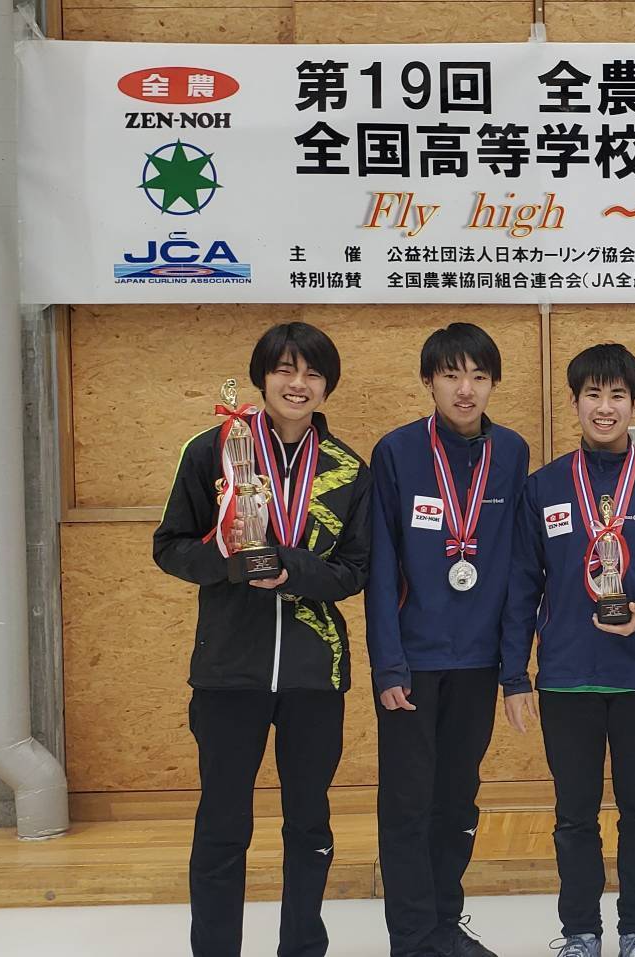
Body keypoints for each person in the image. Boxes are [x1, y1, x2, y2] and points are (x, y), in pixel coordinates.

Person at [153, 321, 373, 957]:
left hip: (314, 676)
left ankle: (302, 948)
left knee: (309, 824)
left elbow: (354, 571)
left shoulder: (348, 469)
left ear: (327, 386)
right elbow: (169, 547)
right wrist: (229, 561)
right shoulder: (213, 451)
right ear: (262, 377)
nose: (297, 384)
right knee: (223, 826)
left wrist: (289, 569)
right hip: (229, 673)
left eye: (312, 373)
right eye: (285, 370)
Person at [499, 343, 635, 957]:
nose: (605, 407)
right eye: (593, 394)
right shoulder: (544, 487)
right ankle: (580, 931)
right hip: (566, 677)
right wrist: (515, 675)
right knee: (573, 815)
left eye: (617, 395)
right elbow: (521, 584)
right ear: (575, 401)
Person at [366, 322, 530, 957]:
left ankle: (443, 924)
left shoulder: (511, 453)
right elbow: (382, 568)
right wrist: (388, 665)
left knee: (458, 800)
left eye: (479, 377)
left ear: (493, 384)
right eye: (452, 375)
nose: (466, 390)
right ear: (428, 381)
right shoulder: (397, 452)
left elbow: (516, 567)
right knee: (408, 804)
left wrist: (512, 669)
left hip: (478, 662)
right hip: (413, 661)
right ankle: (411, 938)